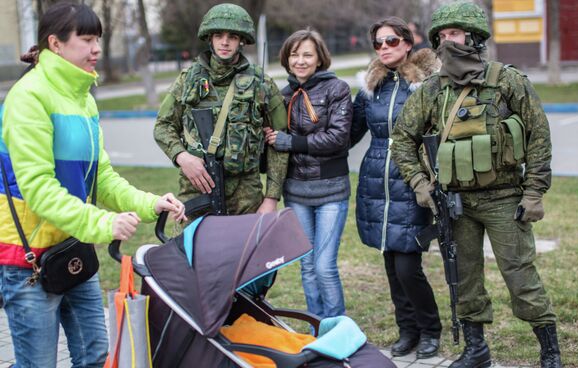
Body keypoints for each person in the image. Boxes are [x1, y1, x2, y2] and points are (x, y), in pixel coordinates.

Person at [0, 3, 186, 367]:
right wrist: (103, 224)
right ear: (56, 43)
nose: (96, 49)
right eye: (87, 40)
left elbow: (101, 178)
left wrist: (151, 203)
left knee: (96, 357)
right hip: (28, 262)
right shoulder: (28, 98)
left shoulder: (83, 99)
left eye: (98, 39)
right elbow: (38, 188)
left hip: (71, 249)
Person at [391, 2, 562, 368]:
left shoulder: (507, 81)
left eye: (453, 34)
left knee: (521, 277)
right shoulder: (432, 90)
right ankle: (476, 349)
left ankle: (550, 350)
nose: (446, 41)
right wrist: (421, 184)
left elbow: (538, 136)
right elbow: (402, 138)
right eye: (441, 36)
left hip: (504, 198)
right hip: (455, 203)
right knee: (465, 280)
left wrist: (534, 191)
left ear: (473, 37)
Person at [350, 16, 443, 359]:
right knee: (391, 265)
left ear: (407, 43)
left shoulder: (426, 84)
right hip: (377, 181)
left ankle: (430, 330)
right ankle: (408, 331)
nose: (384, 48)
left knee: (408, 266)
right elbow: (349, 133)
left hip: (412, 182)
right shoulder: (370, 87)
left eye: (391, 41)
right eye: (378, 43)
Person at [154, 3, 288, 217]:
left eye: (232, 37)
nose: (225, 42)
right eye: (218, 35)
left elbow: (280, 140)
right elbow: (163, 125)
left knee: (244, 250)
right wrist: (182, 157)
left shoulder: (261, 83)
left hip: (246, 191)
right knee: (196, 249)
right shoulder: (188, 79)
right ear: (210, 38)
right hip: (198, 186)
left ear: (242, 40)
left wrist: (271, 197)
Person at [264, 29, 352, 319]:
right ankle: (317, 327)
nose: (300, 61)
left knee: (325, 266)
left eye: (307, 54)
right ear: (286, 59)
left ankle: (336, 328)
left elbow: (338, 139)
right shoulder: (283, 95)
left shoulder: (337, 89)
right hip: (297, 192)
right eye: (294, 54)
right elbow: (275, 142)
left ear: (319, 59)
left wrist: (292, 141)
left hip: (331, 191)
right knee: (307, 265)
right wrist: (269, 136)